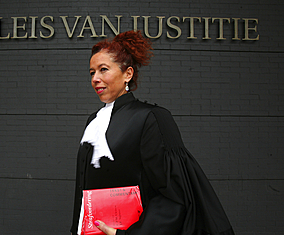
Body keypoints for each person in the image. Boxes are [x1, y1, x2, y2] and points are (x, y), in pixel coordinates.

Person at [70, 30, 235, 235]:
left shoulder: (151, 117)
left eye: (103, 70)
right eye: (92, 72)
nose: (95, 78)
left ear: (128, 74)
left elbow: (174, 195)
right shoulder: (93, 121)